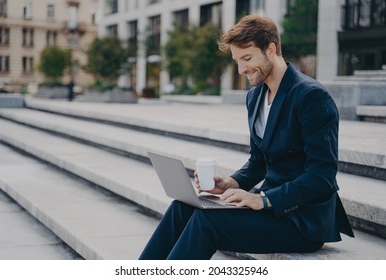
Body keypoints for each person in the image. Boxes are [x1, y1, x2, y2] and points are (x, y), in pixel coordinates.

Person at [139, 15, 354, 260]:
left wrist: (263, 199)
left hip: (302, 220)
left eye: (247, 58)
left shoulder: (311, 97)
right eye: (237, 61)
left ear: (270, 50)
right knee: (183, 206)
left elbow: (322, 176)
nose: (241, 69)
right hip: (270, 209)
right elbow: (258, 162)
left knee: (205, 222)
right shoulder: (255, 97)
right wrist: (230, 183)